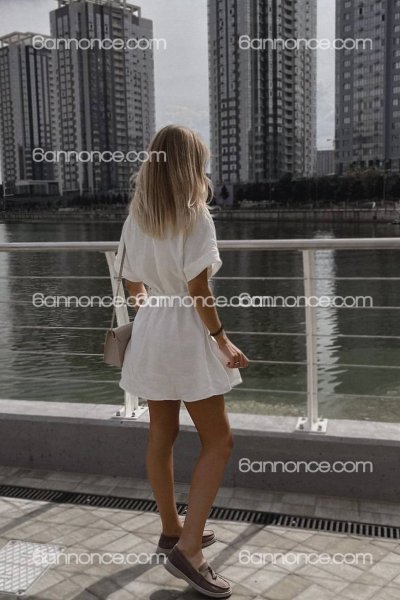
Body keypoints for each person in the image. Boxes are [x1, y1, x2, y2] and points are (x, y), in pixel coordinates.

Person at [114, 124, 249, 598]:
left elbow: (132, 284)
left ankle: (172, 529)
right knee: (219, 440)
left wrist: (153, 311)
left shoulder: (137, 217)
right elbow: (198, 289)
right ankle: (189, 552)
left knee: (161, 434)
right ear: (192, 165)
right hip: (187, 334)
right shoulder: (196, 215)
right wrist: (222, 340)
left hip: (152, 328)